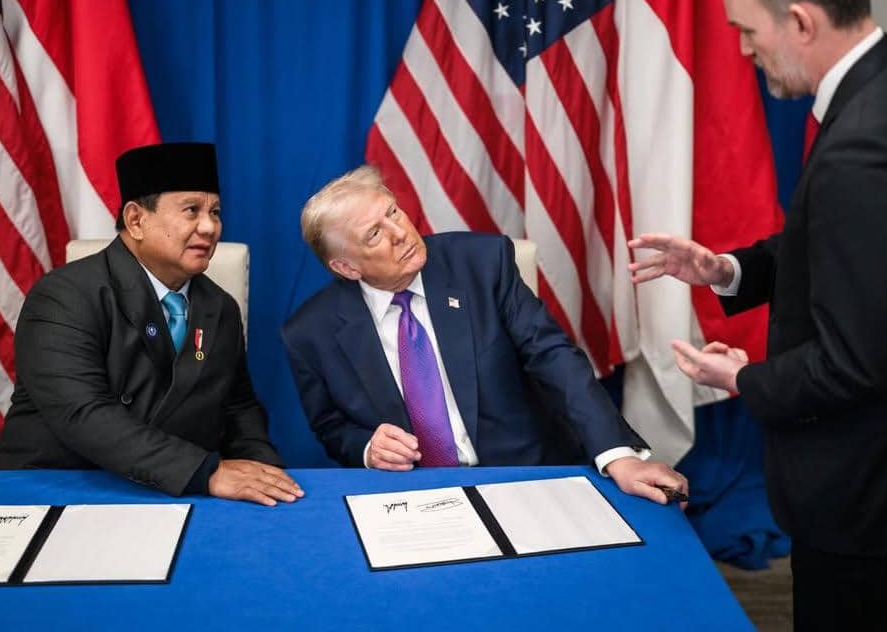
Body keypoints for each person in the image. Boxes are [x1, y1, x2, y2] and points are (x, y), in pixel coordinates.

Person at [629, 0, 887, 632]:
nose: (743, 49)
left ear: (800, 20)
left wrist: (742, 379)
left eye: (748, 30)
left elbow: (857, 362)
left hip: (871, 485)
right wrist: (726, 269)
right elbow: (836, 246)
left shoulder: (867, 141)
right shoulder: (886, 90)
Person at [281, 165, 688, 505]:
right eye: (374, 234)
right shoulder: (310, 333)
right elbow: (331, 426)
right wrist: (369, 448)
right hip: (412, 499)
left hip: (523, 478)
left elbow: (555, 358)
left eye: (394, 212)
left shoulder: (482, 264)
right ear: (347, 267)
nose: (399, 232)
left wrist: (617, 454)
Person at [0, 142, 302, 507]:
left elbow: (238, 409)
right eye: (192, 210)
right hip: (59, 488)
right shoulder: (64, 295)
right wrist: (206, 473)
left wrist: (266, 474)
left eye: (215, 212)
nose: (210, 227)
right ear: (136, 220)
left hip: (171, 492)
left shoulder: (220, 307)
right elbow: (83, 414)